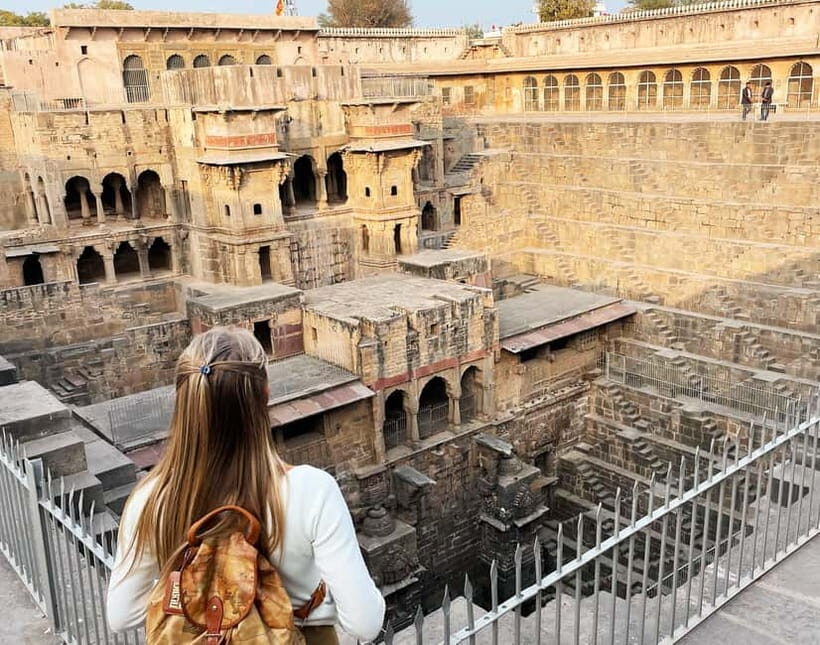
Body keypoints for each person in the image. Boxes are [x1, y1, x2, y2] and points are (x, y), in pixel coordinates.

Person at [106, 327, 385, 644]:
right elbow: (364, 623)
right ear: (265, 394)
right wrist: (308, 602)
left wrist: (205, 600)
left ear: (181, 400)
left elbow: (121, 615)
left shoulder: (151, 498)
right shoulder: (311, 491)